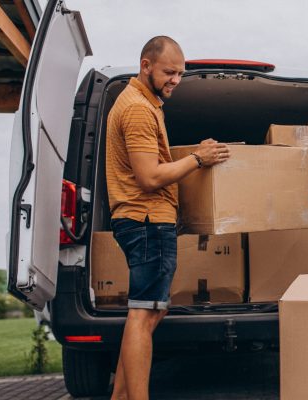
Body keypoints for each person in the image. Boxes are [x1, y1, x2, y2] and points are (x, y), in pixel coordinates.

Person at [106, 36, 229, 400]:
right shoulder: (138, 110)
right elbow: (149, 177)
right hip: (146, 220)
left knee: (151, 312)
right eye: (169, 72)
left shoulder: (144, 103)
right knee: (144, 315)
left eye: (180, 73)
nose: (176, 79)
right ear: (146, 66)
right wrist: (198, 159)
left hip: (142, 220)